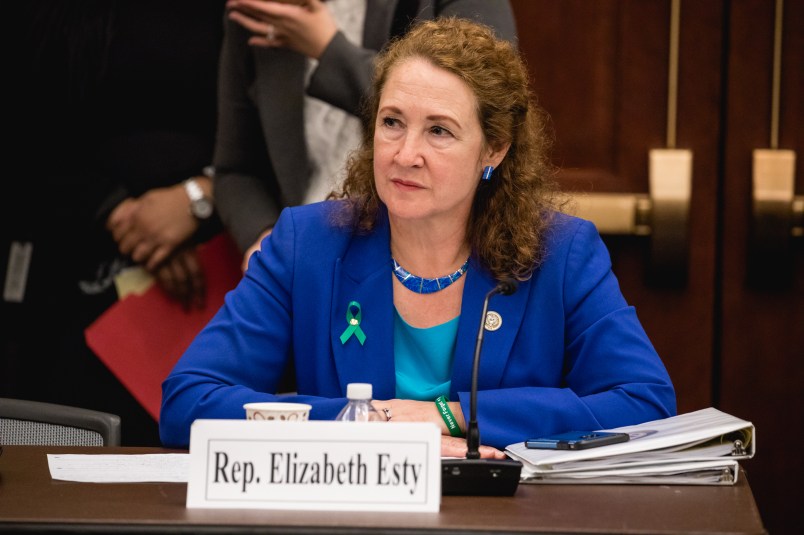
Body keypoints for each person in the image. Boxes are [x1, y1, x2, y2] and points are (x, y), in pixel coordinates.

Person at [160, 18, 676, 455]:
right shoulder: (307, 244)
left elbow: (645, 404)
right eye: (392, 123)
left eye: (439, 131)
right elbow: (188, 402)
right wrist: (366, 421)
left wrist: (448, 418)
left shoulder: (561, 253)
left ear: (493, 150)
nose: (405, 154)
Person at [4, 0, 224, 445]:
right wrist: (119, 213)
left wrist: (200, 197)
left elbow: (280, 131)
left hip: (216, 266)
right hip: (60, 265)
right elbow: (21, 123)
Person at [213, 0, 518, 270]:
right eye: (392, 124)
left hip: (423, 243)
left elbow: (484, 107)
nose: (407, 153)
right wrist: (267, 238)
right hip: (305, 249)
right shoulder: (258, 10)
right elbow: (236, 169)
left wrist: (328, 49)